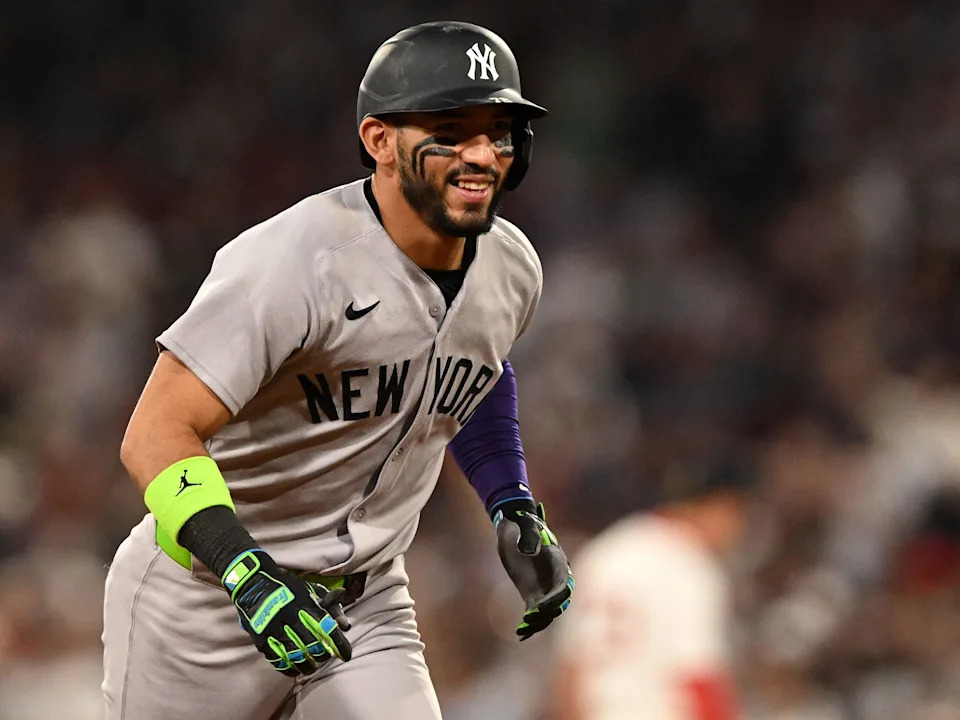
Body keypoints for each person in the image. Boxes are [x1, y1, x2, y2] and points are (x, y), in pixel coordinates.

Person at [101, 20, 573, 720]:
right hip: (204, 601)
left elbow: (470, 375)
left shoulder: (511, 266)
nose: (481, 154)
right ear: (380, 140)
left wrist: (510, 501)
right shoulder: (294, 261)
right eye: (451, 129)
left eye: (498, 132)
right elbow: (155, 433)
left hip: (369, 599)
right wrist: (243, 570)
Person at [551, 456, 750, 720]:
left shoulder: (604, 552)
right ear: (717, 506)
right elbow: (701, 680)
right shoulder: (689, 565)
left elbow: (570, 673)